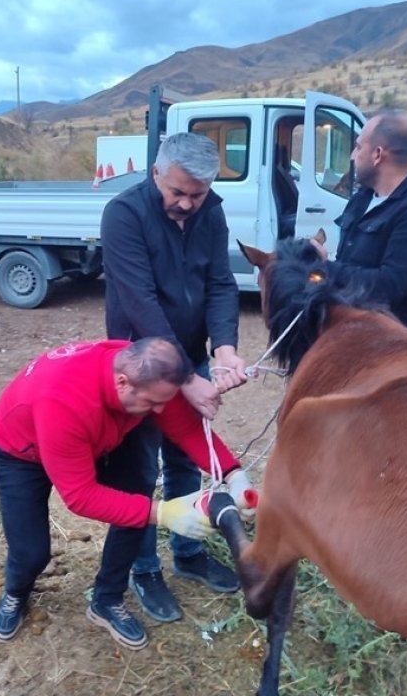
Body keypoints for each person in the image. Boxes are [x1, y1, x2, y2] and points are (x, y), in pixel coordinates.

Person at [0, 338, 256, 650]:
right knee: (32, 553)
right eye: (152, 403)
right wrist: (165, 514)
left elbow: (186, 429)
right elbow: (81, 496)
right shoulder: (63, 401)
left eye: (162, 403)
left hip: (97, 435)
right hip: (23, 452)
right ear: (122, 383)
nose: (159, 411)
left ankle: (107, 599)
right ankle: (16, 593)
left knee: (133, 502)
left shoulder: (146, 377)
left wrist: (234, 475)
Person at [99, 131, 249, 625]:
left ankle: (187, 554)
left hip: (190, 359)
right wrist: (186, 378)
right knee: (139, 473)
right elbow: (140, 302)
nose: (187, 204)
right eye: (178, 192)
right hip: (140, 366)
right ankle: (143, 570)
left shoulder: (210, 212)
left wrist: (224, 349)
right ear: (156, 173)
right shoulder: (124, 215)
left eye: (198, 194)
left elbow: (220, 284)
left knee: (186, 460)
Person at [313, 110, 407, 331]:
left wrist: (324, 267)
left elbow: (388, 286)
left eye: (358, 147)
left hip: (394, 349)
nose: (353, 156)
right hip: (351, 333)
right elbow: (349, 263)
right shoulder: (361, 199)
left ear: (377, 154)